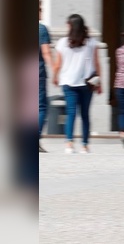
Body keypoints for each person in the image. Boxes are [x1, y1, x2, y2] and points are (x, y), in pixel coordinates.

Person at [53, 14, 101, 154]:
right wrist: (100, 82)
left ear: (71, 26)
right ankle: (85, 145)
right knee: (85, 114)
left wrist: (55, 77)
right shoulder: (91, 42)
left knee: (71, 113)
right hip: (87, 83)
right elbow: (96, 64)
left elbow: (58, 64)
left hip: (68, 82)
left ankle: (69, 143)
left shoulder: (62, 42)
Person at [38, 0, 53, 153]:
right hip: (38, 72)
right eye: (40, 8)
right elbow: (46, 52)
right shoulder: (41, 30)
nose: (41, 11)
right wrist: (55, 68)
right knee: (41, 106)